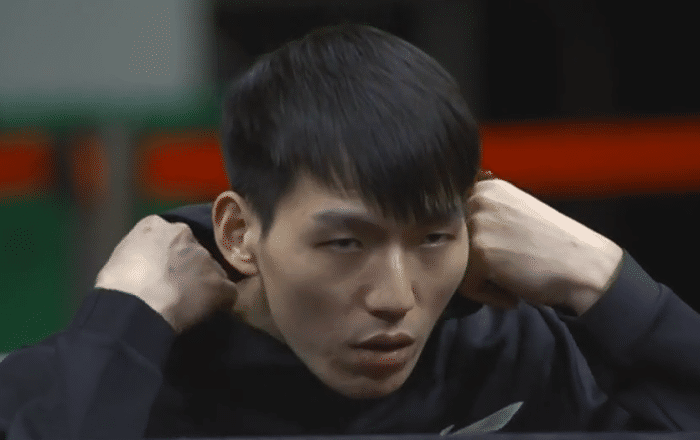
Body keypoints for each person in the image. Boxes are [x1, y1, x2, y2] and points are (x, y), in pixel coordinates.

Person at [2, 23, 700, 439]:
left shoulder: (506, 348)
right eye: (345, 243)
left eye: (432, 238)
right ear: (238, 233)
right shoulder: (126, 373)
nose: (396, 298)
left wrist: (604, 278)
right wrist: (123, 323)